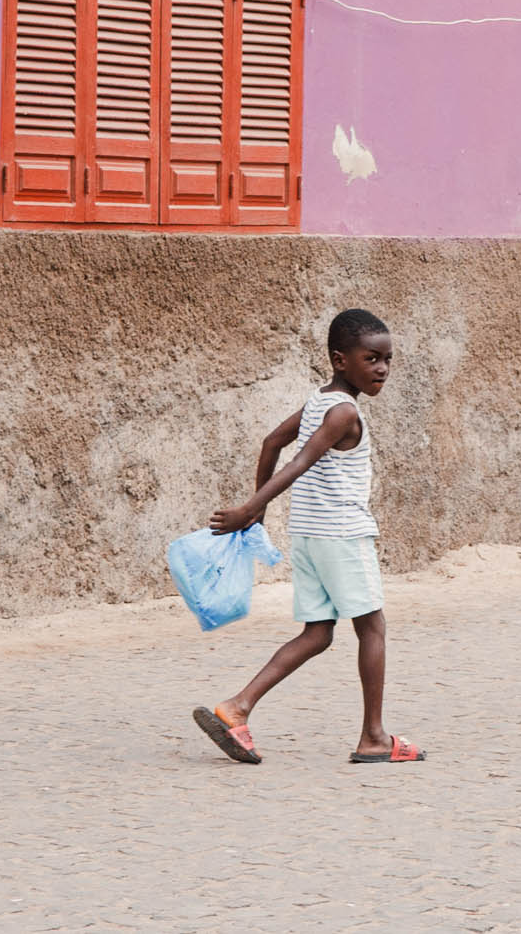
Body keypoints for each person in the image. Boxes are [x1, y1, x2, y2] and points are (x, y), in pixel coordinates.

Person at [192, 309, 424, 765]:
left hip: (310, 537)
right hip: (341, 535)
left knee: (318, 633)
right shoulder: (343, 412)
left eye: (388, 360)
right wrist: (249, 510)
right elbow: (298, 463)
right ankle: (374, 737)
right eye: (371, 358)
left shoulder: (320, 401)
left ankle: (236, 709)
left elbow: (271, 443)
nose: (382, 369)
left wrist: (258, 509)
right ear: (341, 360)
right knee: (372, 627)